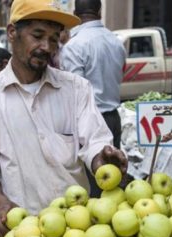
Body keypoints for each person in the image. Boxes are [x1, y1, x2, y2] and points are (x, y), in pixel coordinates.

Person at [0, 0, 128, 234]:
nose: (47, 47)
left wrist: (101, 159)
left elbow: (94, 140)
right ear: (12, 33)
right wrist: (0, 203)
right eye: (37, 35)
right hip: (22, 229)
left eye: (54, 39)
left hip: (77, 227)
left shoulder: (76, 89)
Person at [60, 0, 126, 149]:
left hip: (90, 122)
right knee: (112, 169)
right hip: (113, 118)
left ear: (75, 15)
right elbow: (122, 72)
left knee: (91, 171)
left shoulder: (74, 46)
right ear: (100, 12)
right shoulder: (116, 41)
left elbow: (74, 92)